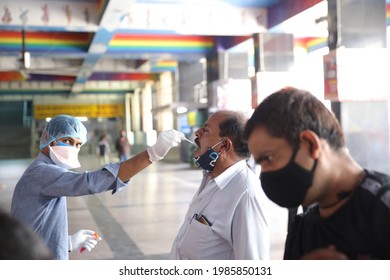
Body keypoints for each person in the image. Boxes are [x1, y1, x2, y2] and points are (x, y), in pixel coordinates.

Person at [244, 87, 390, 260]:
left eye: (268, 158)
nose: (265, 174)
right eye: (260, 163)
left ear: (310, 144)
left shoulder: (382, 206)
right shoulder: (301, 230)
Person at [11, 114, 184, 260]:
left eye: (78, 144)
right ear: (48, 138)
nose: (73, 148)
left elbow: (35, 225)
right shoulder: (42, 173)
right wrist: (152, 154)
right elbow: (90, 182)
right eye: (66, 141)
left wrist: (67, 242)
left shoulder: (45, 171)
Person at [169, 110, 270, 260]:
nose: (197, 133)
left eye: (206, 130)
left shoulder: (246, 195)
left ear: (224, 145)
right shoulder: (210, 179)